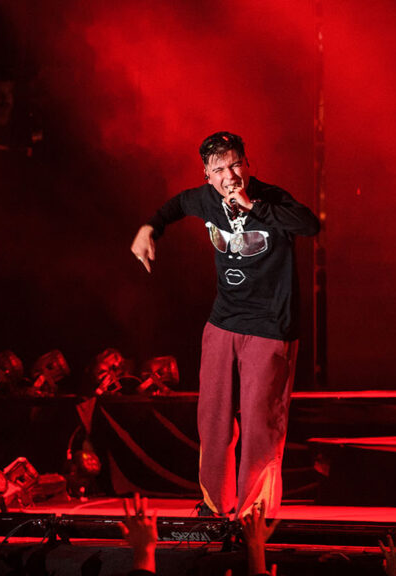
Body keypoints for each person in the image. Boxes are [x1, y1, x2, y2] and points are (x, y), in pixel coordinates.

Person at [131, 132, 320, 518]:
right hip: (223, 323)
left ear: (248, 164)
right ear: (207, 175)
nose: (229, 176)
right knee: (213, 418)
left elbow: (309, 225)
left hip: (270, 327)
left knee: (260, 424)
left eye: (235, 165)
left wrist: (252, 207)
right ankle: (215, 505)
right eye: (219, 169)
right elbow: (176, 205)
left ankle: (255, 514)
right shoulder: (204, 199)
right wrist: (150, 228)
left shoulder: (271, 199)